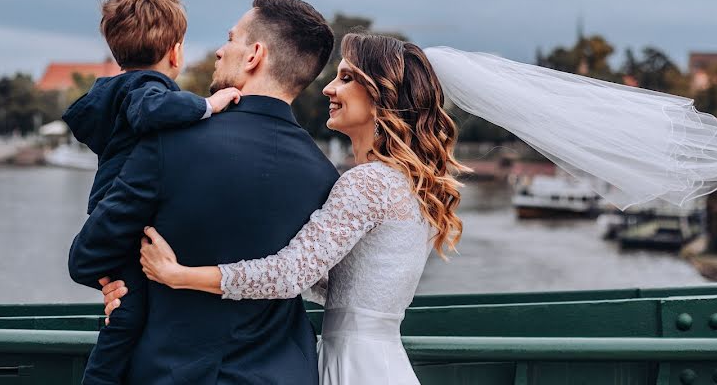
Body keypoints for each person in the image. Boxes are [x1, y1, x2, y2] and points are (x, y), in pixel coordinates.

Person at [110, 33, 467, 384]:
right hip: (377, 360)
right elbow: (340, 284)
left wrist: (179, 275)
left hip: (352, 364)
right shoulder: (404, 182)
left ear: (380, 96)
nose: (328, 88)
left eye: (346, 78)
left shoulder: (368, 183)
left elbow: (291, 275)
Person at [68, 0, 338, 384]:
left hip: (172, 371)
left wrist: (119, 286)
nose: (219, 50)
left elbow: (87, 257)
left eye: (231, 39)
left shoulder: (170, 143)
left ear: (254, 55)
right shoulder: (324, 176)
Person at [64, 0, 240, 385]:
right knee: (125, 321)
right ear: (175, 51)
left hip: (110, 214)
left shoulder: (114, 92)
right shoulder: (147, 89)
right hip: (124, 217)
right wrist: (207, 104)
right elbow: (151, 111)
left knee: (126, 307)